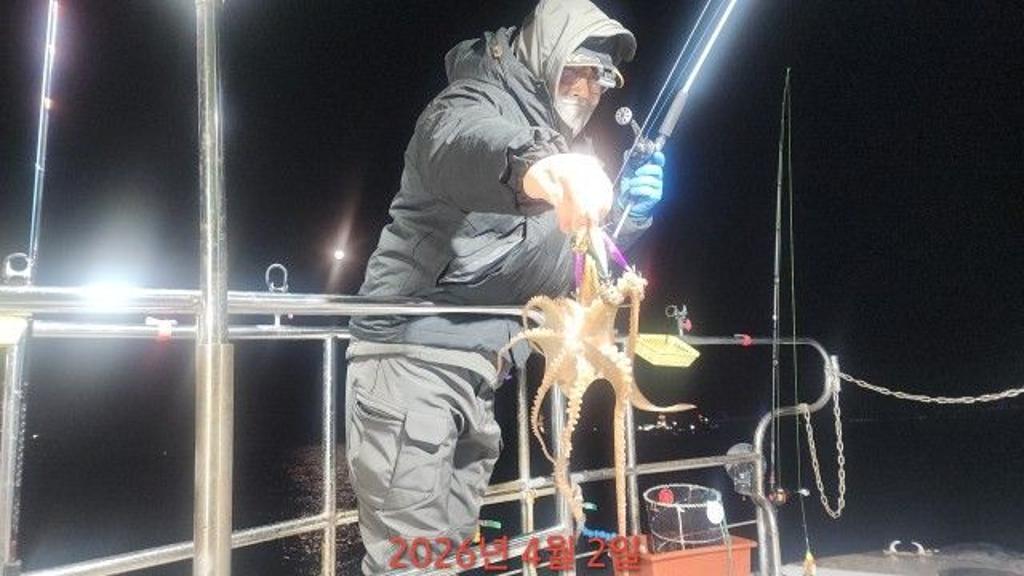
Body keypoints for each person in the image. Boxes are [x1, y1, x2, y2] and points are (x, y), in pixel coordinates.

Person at [344, 0, 667, 572]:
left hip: (481, 373)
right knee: (408, 564)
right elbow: (461, 144)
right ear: (545, 57)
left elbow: (572, 268)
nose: (590, 89)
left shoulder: (560, 142)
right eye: (578, 70)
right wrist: (542, 167)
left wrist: (630, 218)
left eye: (603, 78)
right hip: (411, 360)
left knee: (444, 555)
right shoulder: (470, 102)